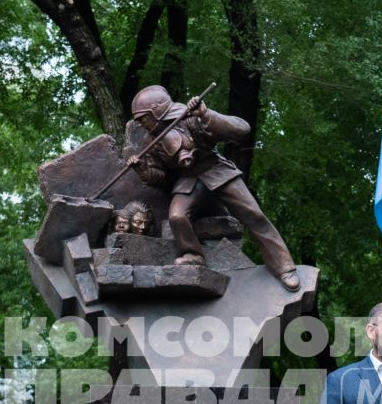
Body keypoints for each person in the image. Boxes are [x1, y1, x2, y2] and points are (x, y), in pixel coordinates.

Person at [123, 83, 300, 290]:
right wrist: (143, 169)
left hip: (216, 170)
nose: (141, 123)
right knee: (177, 216)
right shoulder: (149, 141)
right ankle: (193, 255)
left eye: (143, 118)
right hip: (188, 180)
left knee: (254, 214)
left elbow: (241, 129)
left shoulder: (190, 117)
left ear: (156, 111)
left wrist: (207, 114)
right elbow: (160, 178)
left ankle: (284, 267)